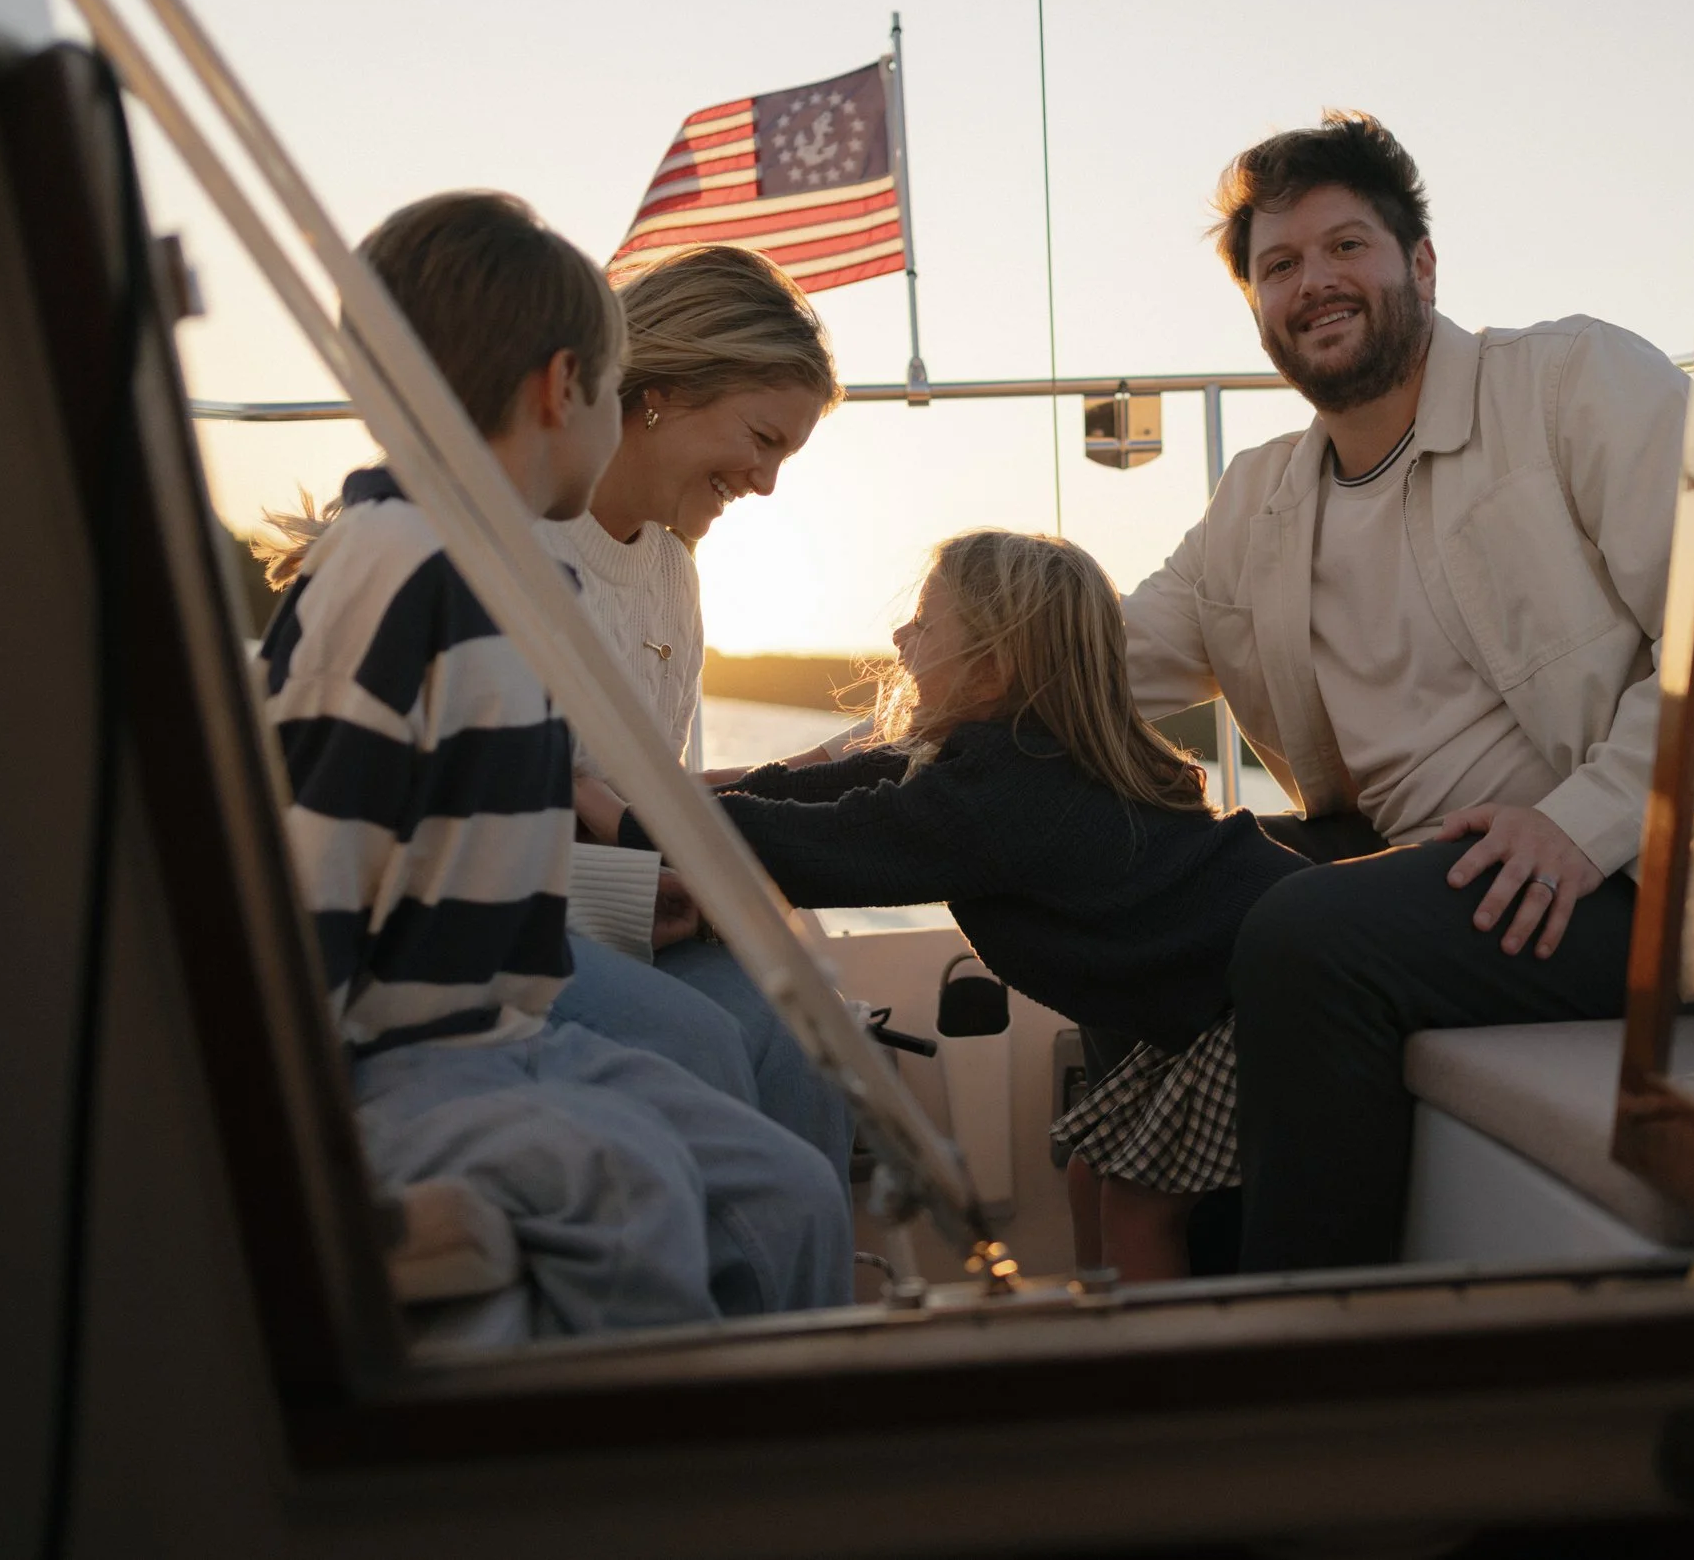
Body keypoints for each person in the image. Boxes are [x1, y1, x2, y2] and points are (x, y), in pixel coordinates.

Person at [1119, 112, 1694, 1272]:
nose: (1314, 283)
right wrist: (907, 696)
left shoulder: (1575, 379)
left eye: (1346, 246)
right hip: (1450, 875)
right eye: (1279, 265)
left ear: (1420, 264)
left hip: (1669, 877)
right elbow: (1095, 659)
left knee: (1304, 933)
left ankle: (1316, 1350)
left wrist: (1580, 826)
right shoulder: (1259, 498)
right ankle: (1188, 1263)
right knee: (1153, 886)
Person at [255, 191, 851, 1336]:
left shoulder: (512, 578)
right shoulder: (419, 576)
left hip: (496, 1012)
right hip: (407, 1052)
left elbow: (521, 831)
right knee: (638, 1185)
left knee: (795, 1190)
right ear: (564, 388)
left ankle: (809, 1428)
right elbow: (315, 866)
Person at [590, 531, 1310, 1282]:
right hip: (1219, 993)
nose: (901, 635)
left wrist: (596, 803)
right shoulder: (1000, 757)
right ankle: (1098, 1349)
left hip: (1262, 986)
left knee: (1134, 1201)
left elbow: (805, 843)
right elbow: (797, 795)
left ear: (992, 669)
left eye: (926, 622)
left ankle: (1159, 1390)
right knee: (1089, 1171)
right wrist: (652, 793)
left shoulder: (1007, 796)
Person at [534, 244, 852, 1175]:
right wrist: (643, 895)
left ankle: (813, 1307)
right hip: (513, 917)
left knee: (812, 1019)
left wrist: (808, 775)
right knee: (704, 1040)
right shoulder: (518, 535)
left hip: (612, 908)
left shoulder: (671, 567)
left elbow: (632, 784)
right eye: (763, 440)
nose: (765, 484)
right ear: (662, 389)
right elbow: (508, 807)